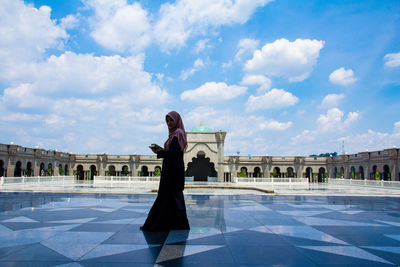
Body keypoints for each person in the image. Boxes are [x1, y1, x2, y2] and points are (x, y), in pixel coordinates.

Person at [140, 111, 190, 231]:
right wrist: (161, 150)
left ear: (177, 120)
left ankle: (154, 225)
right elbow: (173, 151)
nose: (169, 123)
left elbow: (174, 153)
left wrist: (159, 152)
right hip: (170, 169)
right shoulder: (173, 134)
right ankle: (170, 225)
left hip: (173, 171)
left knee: (170, 196)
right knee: (168, 197)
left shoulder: (178, 133)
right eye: (167, 121)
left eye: (171, 120)